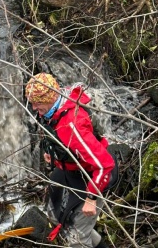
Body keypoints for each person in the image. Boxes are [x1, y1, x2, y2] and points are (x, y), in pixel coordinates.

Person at [25, 73, 115, 248]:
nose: (34, 107)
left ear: (51, 97)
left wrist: (91, 198)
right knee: (59, 215)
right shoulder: (57, 107)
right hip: (73, 169)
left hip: (93, 176)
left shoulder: (72, 125)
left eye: (37, 102)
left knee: (77, 237)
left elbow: (105, 164)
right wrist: (57, 158)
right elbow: (65, 145)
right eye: (31, 102)